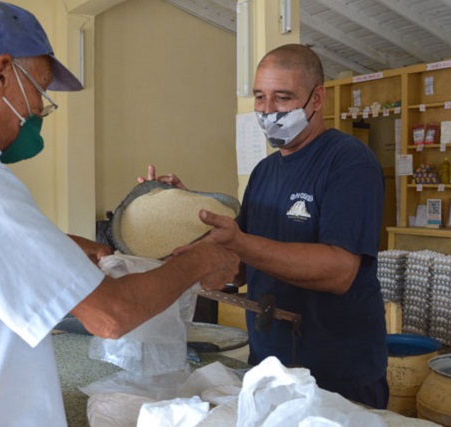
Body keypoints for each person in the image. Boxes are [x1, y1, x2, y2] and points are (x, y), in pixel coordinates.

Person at [0, 2, 238, 426]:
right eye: (41, 89)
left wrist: (59, 247)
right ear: (1, 75)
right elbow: (111, 315)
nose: (40, 108)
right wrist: (199, 261)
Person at [142, 44, 389, 408]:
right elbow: (238, 268)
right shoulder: (264, 172)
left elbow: (339, 271)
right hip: (268, 366)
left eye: (283, 97)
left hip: (336, 374)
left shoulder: (348, 162)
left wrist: (239, 242)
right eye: (260, 96)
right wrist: (183, 211)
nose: (268, 110)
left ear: (317, 98)